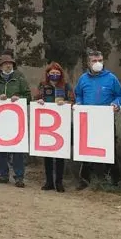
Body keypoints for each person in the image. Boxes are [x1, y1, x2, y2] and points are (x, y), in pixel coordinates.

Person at [75, 50, 121, 189]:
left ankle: (114, 180)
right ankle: (85, 181)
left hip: (106, 121)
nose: (97, 63)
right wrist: (78, 102)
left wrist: (116, 103)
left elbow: (120, 96)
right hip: (87, 121)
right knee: (86, 151)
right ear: (88, 62)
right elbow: (78, 94)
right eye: (94, 61)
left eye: (100, 60)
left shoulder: (111, 78)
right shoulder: (83, 79)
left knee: (110, 150)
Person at [0, 53, 32, 187]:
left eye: (10, 64)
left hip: (16, 119)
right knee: (1, 147)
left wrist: (19, 97)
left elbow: (28, 96)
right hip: (0, 119)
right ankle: (3, 174)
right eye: (5, 64)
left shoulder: (20, 79)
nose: (8, 65)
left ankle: (19, 176)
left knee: (17, 149)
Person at [34, 62, 75, 192]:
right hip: (46, 123)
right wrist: (39, 101)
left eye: (57, 73)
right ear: (48, 74)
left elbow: (73, 101)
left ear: (61, 74)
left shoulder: (66, 86)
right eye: (52, 73)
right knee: (47, 154)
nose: (55, 75)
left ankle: (59, 182)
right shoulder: (42, 85)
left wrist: (66, 102)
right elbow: (36, 98)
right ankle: (49, 181)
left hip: (61, 123)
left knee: (60, 154)